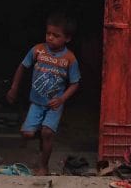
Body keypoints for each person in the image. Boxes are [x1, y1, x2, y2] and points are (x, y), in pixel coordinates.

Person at [6, 14, 81, 176]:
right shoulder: (37, 50)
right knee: (28, 134)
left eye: (56, 35)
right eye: (48, 33)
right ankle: (40, 136)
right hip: (36, 102)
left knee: (47, 133)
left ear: (67, 38)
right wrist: (14, 88)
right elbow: (22, 67)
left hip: (54, 104)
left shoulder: (70, 58)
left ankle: (43, 166)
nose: (50, 38)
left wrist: (62, 99)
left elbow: (75, 83)